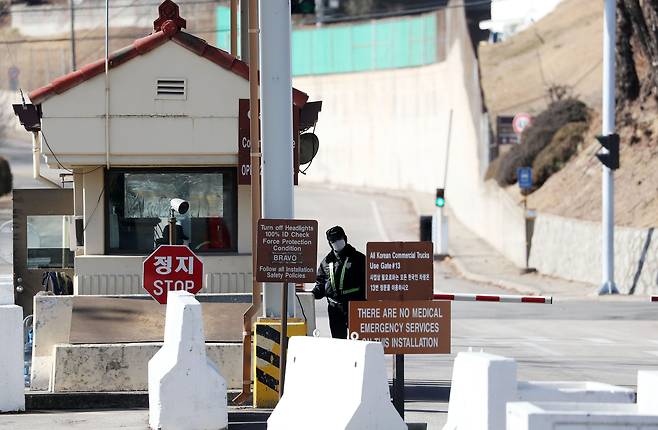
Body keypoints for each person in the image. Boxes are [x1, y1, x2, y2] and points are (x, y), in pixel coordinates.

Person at [312, 226, 366, 339]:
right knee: (338, 341)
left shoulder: (359, 259)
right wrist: (312, 294)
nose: (337, 242)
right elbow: (320, 285)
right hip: (334, 308)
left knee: (358, 341)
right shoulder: (326, 262)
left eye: (339, 239)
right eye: (333, 241)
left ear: (345, 238)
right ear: (330, 243)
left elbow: (369, 284)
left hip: (354, 306)